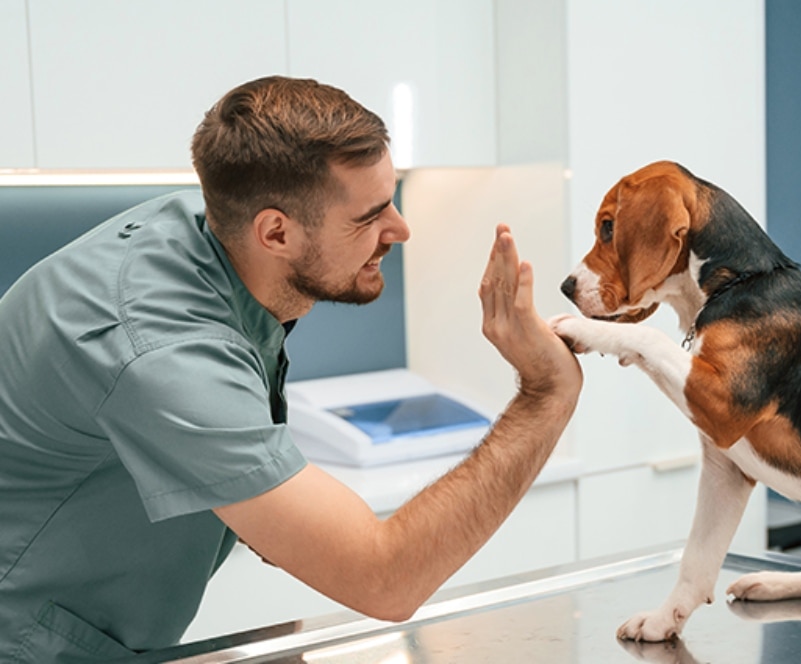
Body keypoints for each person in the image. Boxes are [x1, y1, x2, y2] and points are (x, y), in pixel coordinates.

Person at [0, 75, 582, 662]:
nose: (400, 231)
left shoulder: (214, 238)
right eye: (370, 215)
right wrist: (545, 394)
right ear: (275, 232)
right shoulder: (160, 348)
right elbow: (385, 578)